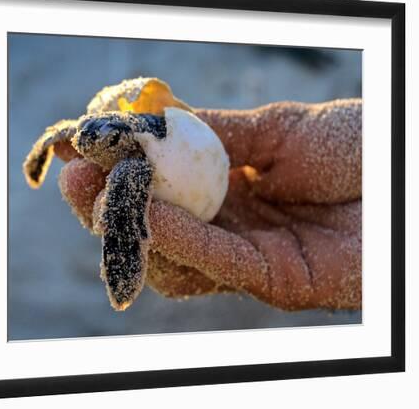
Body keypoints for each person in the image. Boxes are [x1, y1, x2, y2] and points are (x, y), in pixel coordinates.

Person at [55, 99, 362, 311]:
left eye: (105, 142)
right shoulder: (103, 133)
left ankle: (123, 278)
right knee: (83, 167)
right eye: (84, 140)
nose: (88, 148)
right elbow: (86, 133)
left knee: (123, 198)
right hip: (202, 181)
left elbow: (131, 153)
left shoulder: (135, 164)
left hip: (199, 178)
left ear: (123, 139)